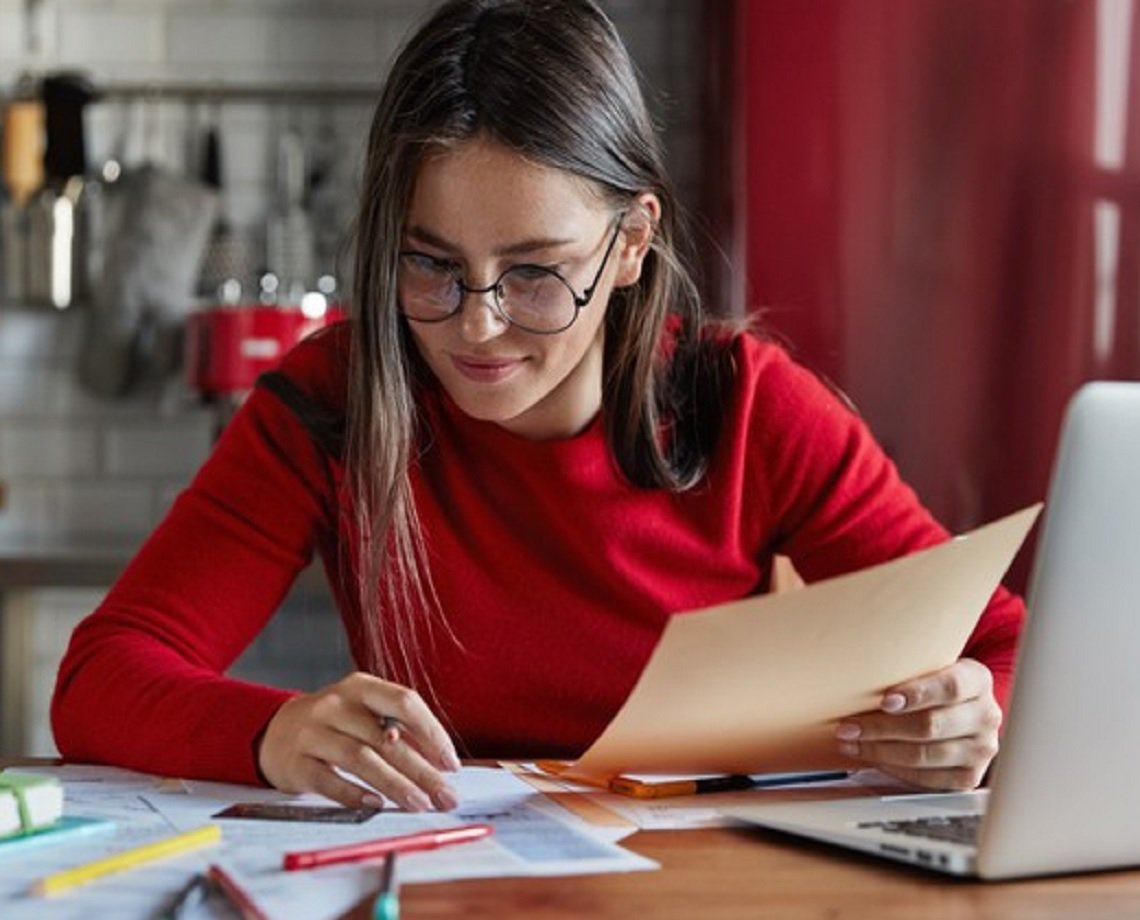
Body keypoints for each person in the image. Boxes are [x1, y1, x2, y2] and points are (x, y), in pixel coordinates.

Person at [52, 0, 1022, 815]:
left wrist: (981, 709)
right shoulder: (337, 397)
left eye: (534, 273)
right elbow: (102, 675)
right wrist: (271, 731)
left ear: (633, 242)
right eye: (431, 264)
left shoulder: (751, 405)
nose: (478, 327)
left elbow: (1003, 638)